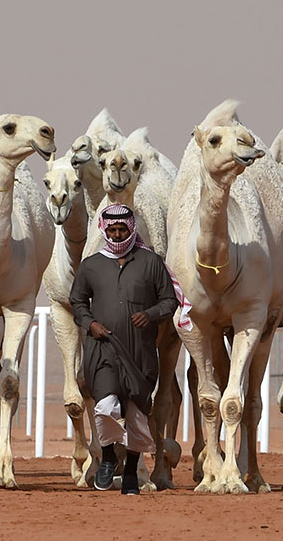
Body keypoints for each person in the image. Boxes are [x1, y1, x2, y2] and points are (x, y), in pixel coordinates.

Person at [70, 204, 178, 495]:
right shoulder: (91, 264)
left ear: (132, 229)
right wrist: (90, 324)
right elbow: (77, 302)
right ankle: (107, 457)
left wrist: (152, 314)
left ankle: (131, 470)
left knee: (137, 415)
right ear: (105, 230)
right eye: (113, 229)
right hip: (102, 348)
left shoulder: (151, 262)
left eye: (123, 229)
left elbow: (170, 300)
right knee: (105, 407)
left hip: (140, 350)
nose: (118, 234)